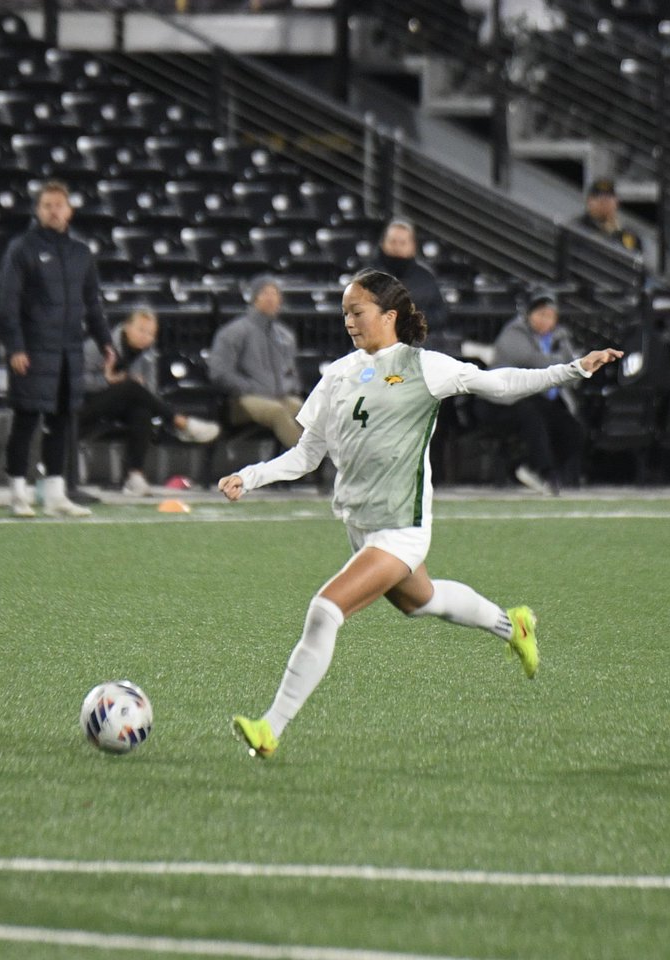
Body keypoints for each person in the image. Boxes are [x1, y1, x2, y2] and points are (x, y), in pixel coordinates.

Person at [219, 269, 621, 759]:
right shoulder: (337, 376)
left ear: (389, 316)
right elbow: (306, 455)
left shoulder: (425, 366)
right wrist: (251, 475)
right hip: (360, 525)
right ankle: (512, 625)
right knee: (421, 600)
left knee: (325, 610)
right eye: (345, 311)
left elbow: (501, 383)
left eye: (358, 311)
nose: (349, 320)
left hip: (401, 528)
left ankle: (270, 729)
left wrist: (573, 368)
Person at [0, 180, 114, 518]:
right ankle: (18, 492)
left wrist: (105, 340)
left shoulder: (80, 252)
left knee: (62, 423)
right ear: (38, 210)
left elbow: (93, 302)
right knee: (26, 419)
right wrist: (15, 346)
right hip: (33, 349)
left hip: (68, 352)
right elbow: (8, 302)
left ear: (69, 210)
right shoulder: (22, 249)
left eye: (59, 205)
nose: (54, 211)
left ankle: (55, 493)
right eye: (47, 205)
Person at [80, 307, 220, 496]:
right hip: (85, 405)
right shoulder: (100, 346)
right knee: (131, 387)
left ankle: (135, 475)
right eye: (141, 330)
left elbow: (150, 393)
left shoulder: (147, 355)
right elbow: (76, 380)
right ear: (126, 327)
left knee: (141, 409)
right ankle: (181, 422)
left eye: (150, 333)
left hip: (121, 405)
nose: (145, 337)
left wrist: (133, 385)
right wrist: (107, 380)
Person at [491, 288, 585, 495]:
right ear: (529, 314)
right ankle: (546, 473)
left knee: (572, 428)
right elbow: (534, 362)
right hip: (507, 399)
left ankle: (530, 467)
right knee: (533, 416)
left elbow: (576, 370)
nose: (546, 321)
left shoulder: (560, 336)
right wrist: (565, 364)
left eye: (551, 316)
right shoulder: (514, 333)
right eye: (541, 314)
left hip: (541, 397)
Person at [207, 275, 303, 450]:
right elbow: (219, 372)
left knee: (306, 411)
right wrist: (250, 387)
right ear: (254, 298)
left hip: (280, 396)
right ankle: (308, 461)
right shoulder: (233, 332)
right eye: (265, 293)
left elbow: (291, 372)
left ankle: (331, 458)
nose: (271, 298)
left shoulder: (284, 335)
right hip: (243, 399)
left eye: (275, 294)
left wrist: (289, 387)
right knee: (277, 412)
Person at [370, 219, 450, 350]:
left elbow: (440, 313)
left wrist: (414, 321)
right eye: (392, 241)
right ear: (383, 244)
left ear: (413, 247)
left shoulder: (425, 278)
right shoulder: (368, 276)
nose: (397, 247)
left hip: (417, 349)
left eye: (402, 243)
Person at [576, 178, 643, 255]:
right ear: (589, 201)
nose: (604, 201)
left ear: (616, 202)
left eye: (609, 197)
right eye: (598, 196)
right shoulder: (578, 228)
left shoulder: (630, 237)